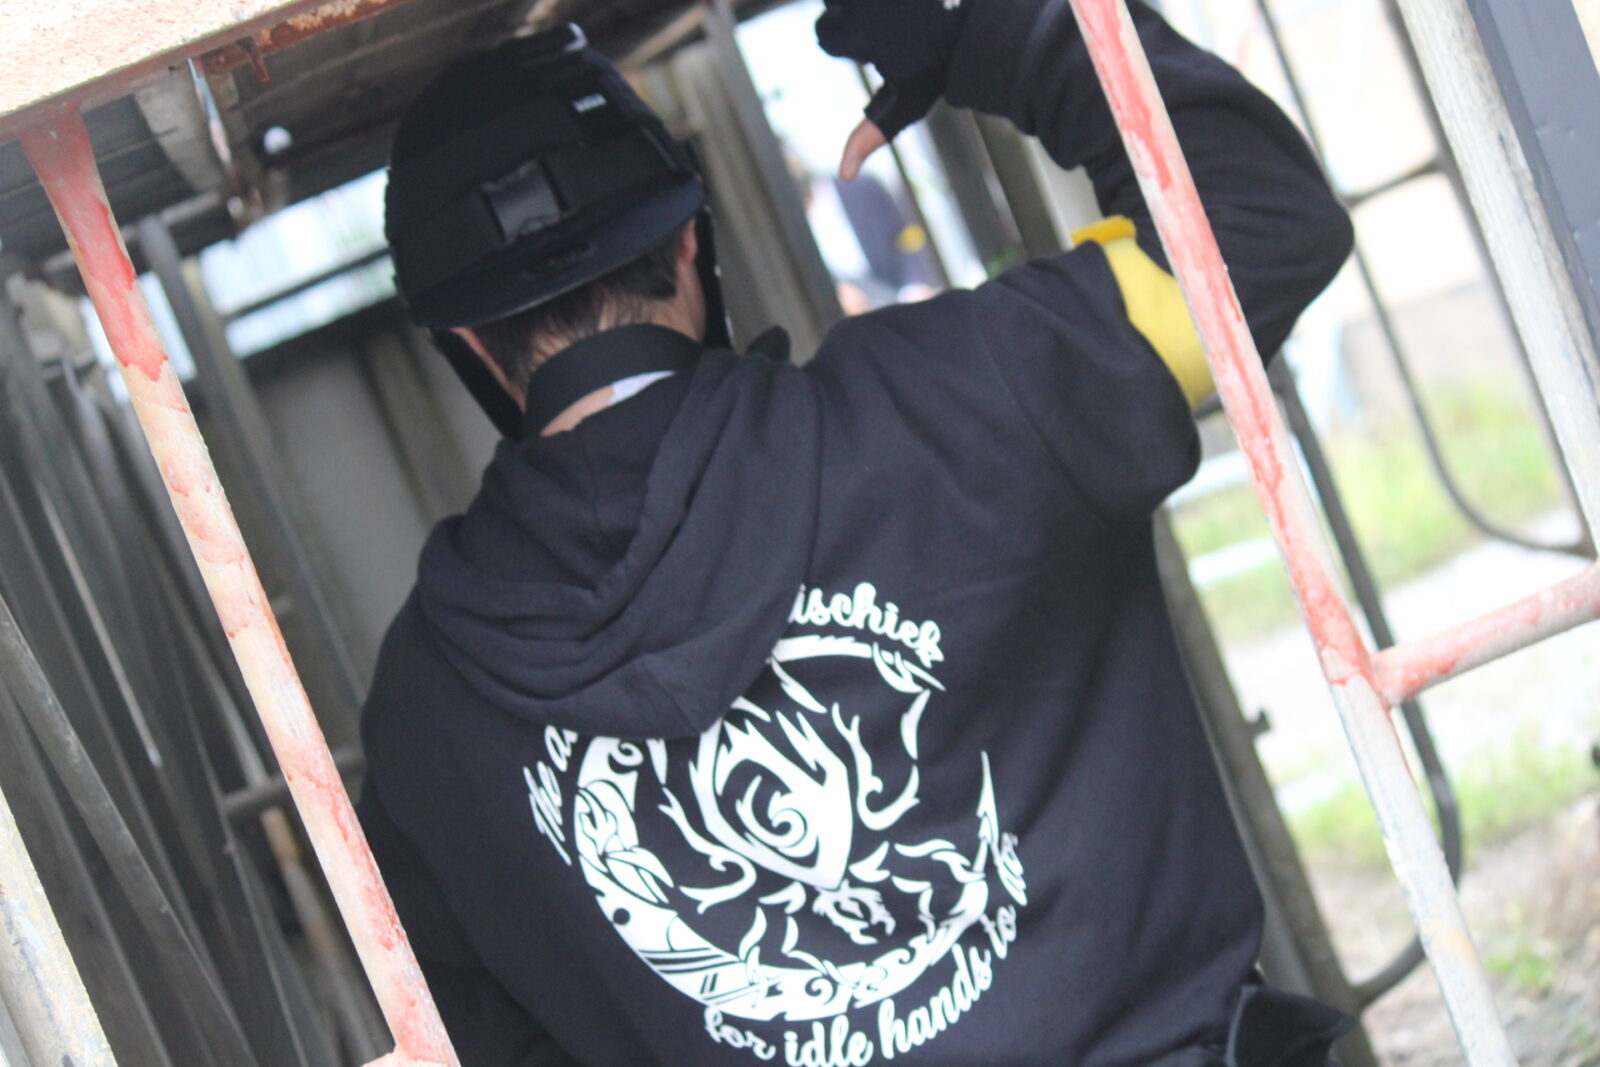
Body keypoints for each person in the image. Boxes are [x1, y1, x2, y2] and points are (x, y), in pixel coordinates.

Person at [357, 0, 1355, 1063]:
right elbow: (1264, 219)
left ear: (468, 342)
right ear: (690, 237)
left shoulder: (423, 715)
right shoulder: (962, 397)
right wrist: (995, 30)